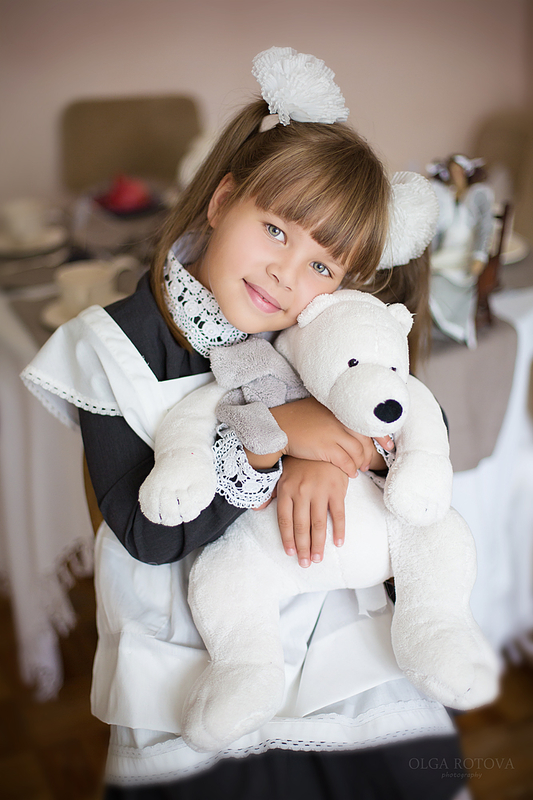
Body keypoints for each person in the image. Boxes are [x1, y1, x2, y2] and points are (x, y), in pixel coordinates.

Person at [22, 47, 470, 799]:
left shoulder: (314, 329)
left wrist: (334, 455)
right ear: (223, 200)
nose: (285, 276)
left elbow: (413, 415)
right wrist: (275, 438)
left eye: (322, 266)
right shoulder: (116, 345)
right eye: (276, 230)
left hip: (335, 646)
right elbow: (147, 535)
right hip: (189, 663)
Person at [427, 154, 495, 348]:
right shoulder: (445, 195)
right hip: (446, 251)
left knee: (440, 282)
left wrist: (479, 255)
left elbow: (485, 226)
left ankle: (447, 321)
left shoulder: (478, 194)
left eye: (459, 170)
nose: (456, 174)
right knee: (421, 274)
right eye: (452, 171)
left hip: (464, 253)